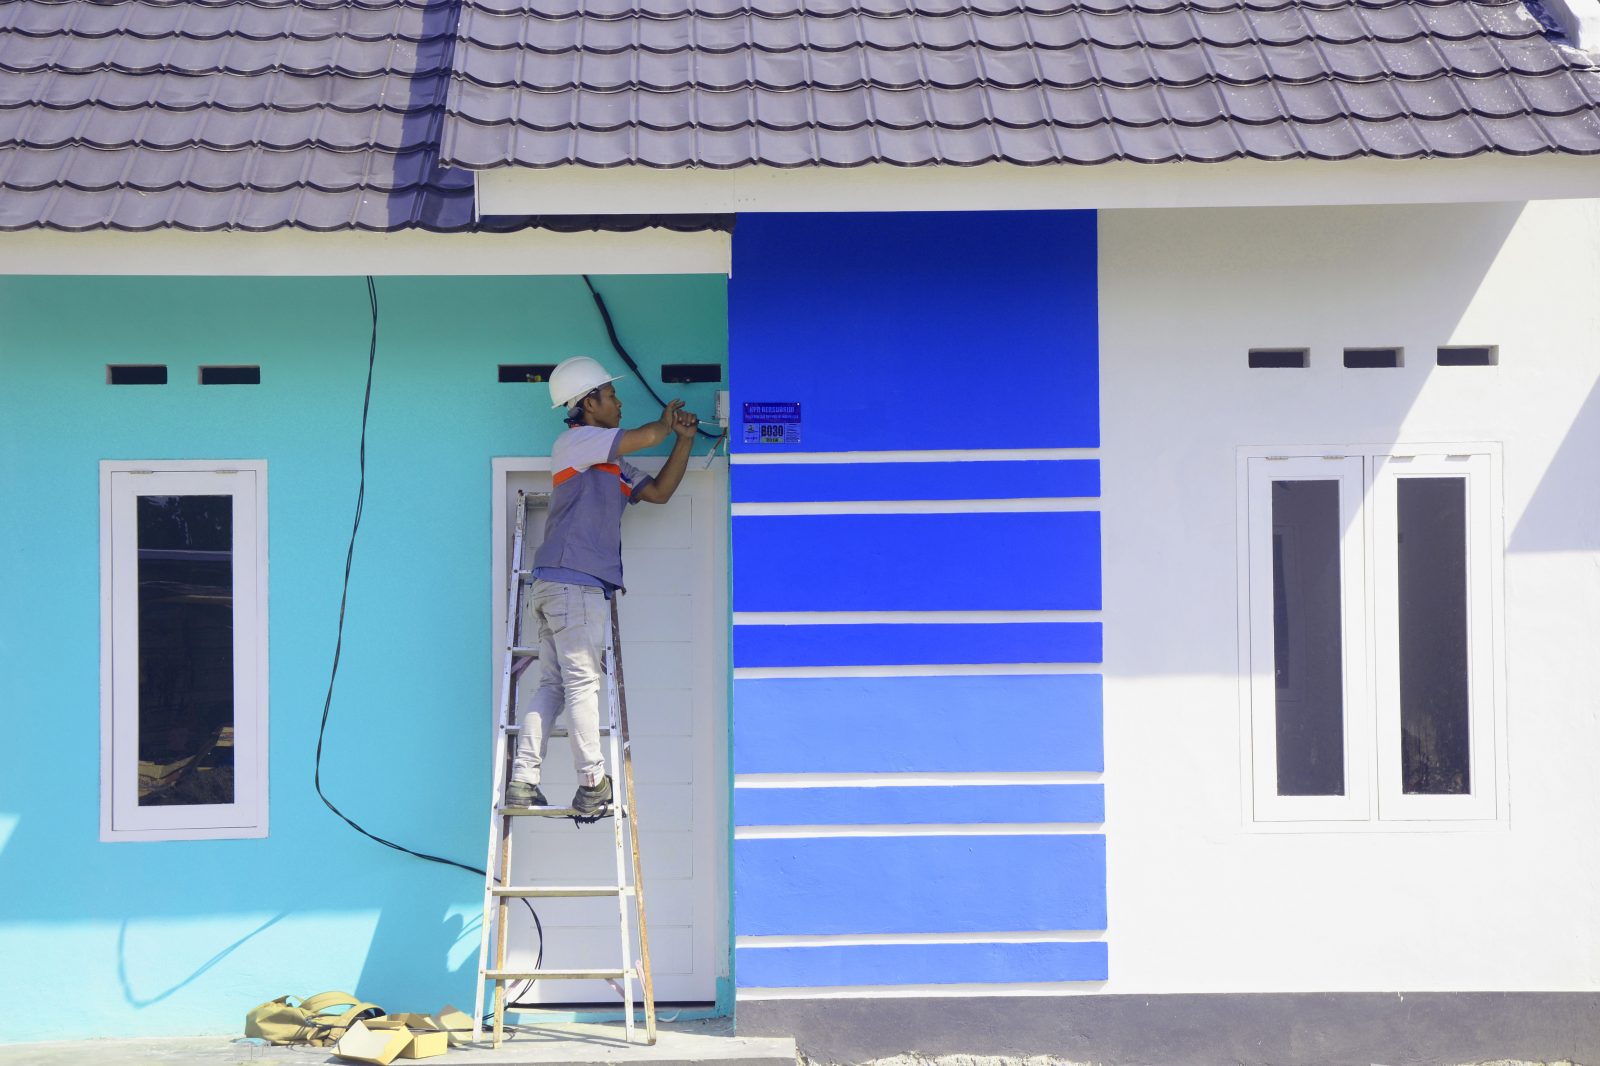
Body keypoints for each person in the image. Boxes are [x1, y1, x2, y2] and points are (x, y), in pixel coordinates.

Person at [506, 355, 698, 821]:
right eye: (610, 395)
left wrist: (685, 441)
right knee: (582, 685)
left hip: (556, 584)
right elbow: (649, 434)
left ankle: (523, 780)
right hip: (574, 587)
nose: (618, 402)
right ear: (588, 403)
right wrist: (666, 423)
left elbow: (659, 493)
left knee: (553, 684)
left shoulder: (606, 461)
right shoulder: (578, 441)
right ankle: (592, 783)